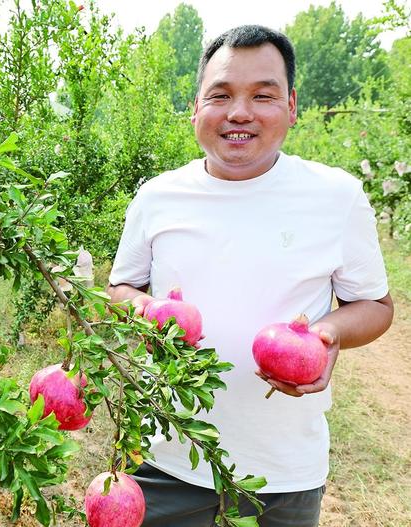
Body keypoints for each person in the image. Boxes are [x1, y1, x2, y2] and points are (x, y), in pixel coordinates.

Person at [107, 25, 394, 527]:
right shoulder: (156, 196)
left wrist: (325, 335)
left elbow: (375, 306)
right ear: (196, 107)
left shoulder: (336, 197)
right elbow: (121, 287)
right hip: (165, 456)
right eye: (220, 95)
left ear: (292, 105)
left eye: (263, 95)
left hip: (283, 473)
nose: (239, 112)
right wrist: (146, 312)